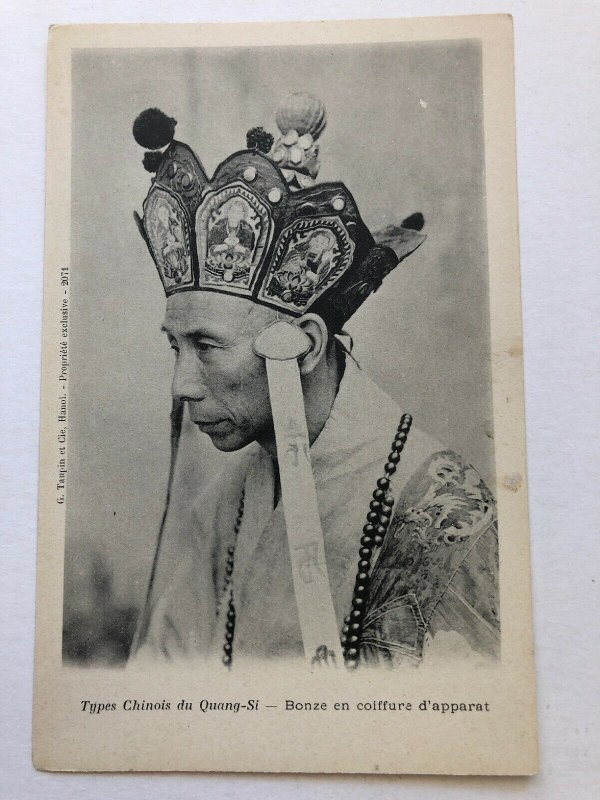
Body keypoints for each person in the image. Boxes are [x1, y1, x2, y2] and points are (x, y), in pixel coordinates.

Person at [129, 96, 500, 668]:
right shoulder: (219, 509)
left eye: (207, 346)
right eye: (175, 346)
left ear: (305, 347)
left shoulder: (444, 514)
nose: (183, 385)